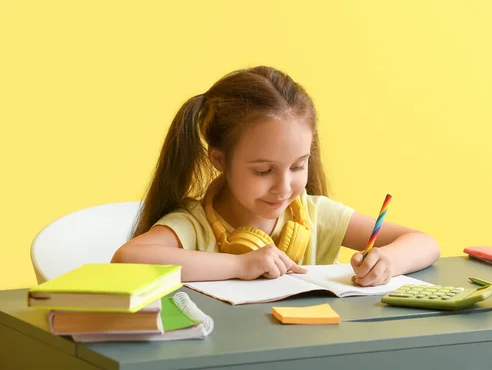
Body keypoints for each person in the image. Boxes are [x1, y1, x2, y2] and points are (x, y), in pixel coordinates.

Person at [112, 66, 440, 285]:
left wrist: (388, 262)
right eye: (264, 170)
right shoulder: (194, 225)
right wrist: (241, 266)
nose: (284, 188)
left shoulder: (316, 215)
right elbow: (129, 260)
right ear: (219, 160)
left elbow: (425, 243)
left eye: (298, 166)